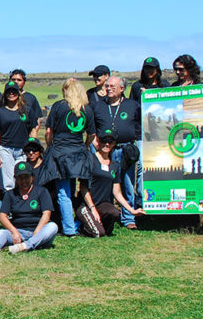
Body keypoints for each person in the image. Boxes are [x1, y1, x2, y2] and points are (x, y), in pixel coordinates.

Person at [38, 78, 94, 236]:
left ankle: (69, 228)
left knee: (63, 192)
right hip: (78, 152)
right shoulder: (87, 109)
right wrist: (85, 145)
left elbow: (49, 132)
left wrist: (50, 145)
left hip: (60, 153)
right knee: (74, 187)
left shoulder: (58, 106)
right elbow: (92, 133)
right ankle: (73, 223)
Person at [0, 161, 56, 255]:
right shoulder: (10, 194)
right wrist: (14, 232)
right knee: (1, 233)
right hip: (19, 231)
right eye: (20, 178)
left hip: (39, 232)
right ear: (15, 179)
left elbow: (46, 213)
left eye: (26, 177)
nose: (23, 181)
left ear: (32, 177)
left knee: (53, 227)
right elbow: (2, 216)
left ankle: (25, 246)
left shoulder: (42, 191)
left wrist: (37, 231)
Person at [91, 76, 141, 228]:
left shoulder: (132, 105)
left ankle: (128, 218)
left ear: (122, 88)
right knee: (105, 183)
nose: (108, 88)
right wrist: (96, 145)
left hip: (125, 149)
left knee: (126, 183)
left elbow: (139, 125)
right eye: (107, 86)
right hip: (105, 150)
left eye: (112, 86)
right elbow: (91, 127)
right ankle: (106, 215)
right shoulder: (98, 106)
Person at [77, 131, 143, 235]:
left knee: (115, 213)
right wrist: (92, 208)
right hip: (86, 204)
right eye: (104, 140)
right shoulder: (90, 160)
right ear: (98, 141)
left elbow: (117, 193)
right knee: (99, 233)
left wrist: (132, 211)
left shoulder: (115, 165)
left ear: (114, 144)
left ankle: (96, 223)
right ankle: (81, 226)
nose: (107, 144)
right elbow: (83, 188)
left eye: (110, 141)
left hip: (103, 204)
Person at [0, 81, 36, 190]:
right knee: (9, 181)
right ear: (5, 94)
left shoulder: (26, 110)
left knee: (22, 177)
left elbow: (33, 129)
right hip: (6, 149)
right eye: (8, 92)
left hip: (22, 149)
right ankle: (10, 203)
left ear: (18, 93)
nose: (11, 94)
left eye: (14, 91)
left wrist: (32, 147)